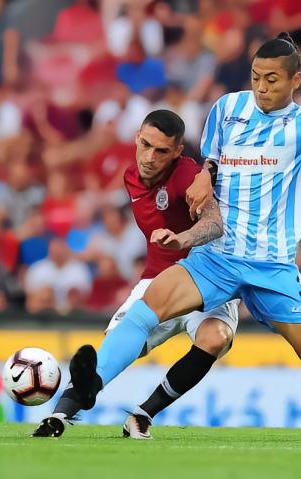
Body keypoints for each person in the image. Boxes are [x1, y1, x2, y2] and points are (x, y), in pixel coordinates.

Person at [68, 32, 301, 443]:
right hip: (217, 257)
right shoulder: (227, 109)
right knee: (148, 307)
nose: (261, 87)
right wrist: (206, 176)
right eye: (255, 77)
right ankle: (90, 385)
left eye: (272, 79)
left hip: (271, 265)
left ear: (295, 80)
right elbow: (213, 157)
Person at [32, 110, 239, 439]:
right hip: (157, 279)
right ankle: (59, 416)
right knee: (116, 347)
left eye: (161, 151)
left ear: (177, 152)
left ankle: (142, 414)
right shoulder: (131, 176)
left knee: (216, 338)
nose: (150, 157)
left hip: (207, 278)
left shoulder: (187, 176)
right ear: (137, 137)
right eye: (146, 145)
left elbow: (214, 224)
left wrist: (183, 239)